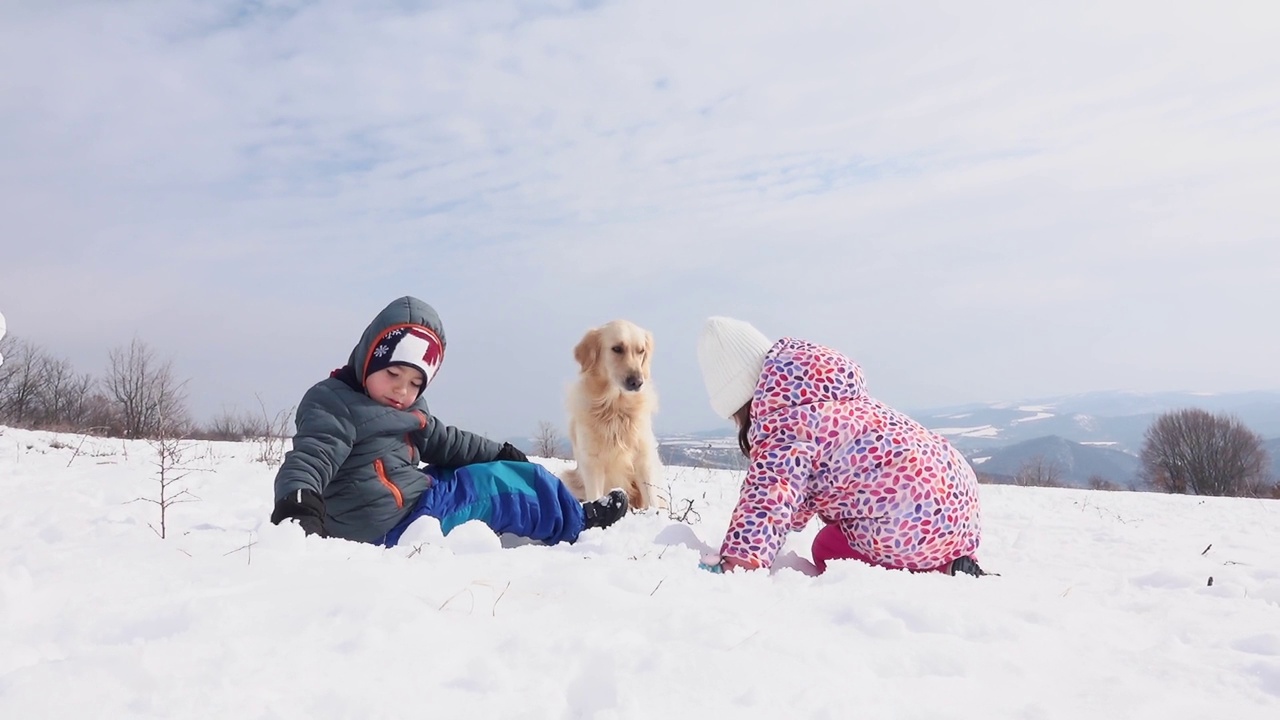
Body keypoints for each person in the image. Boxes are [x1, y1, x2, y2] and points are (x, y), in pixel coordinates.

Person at [269, 296, 629, 547]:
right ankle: (576, 521)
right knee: (502, 487)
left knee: (479, 468)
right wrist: (298, 505)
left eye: (415, 383)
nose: (401, 390)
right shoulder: (335, 403)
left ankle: (557, 503)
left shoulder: (407, 409)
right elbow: (312, 456)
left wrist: (498, 451)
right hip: (392, 521)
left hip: (405, 495)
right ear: (368, 360)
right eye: (393, 373)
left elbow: (447, 442)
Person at [694, 316, 985, 576]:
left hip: (915, 521)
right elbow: (805, 487)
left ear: (740, 402)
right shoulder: (832, 395)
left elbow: (769, 498)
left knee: (828, 546)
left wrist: (739, 563)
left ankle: (936, 567)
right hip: (961, 505)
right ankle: (948, 558)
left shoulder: (786, 426)